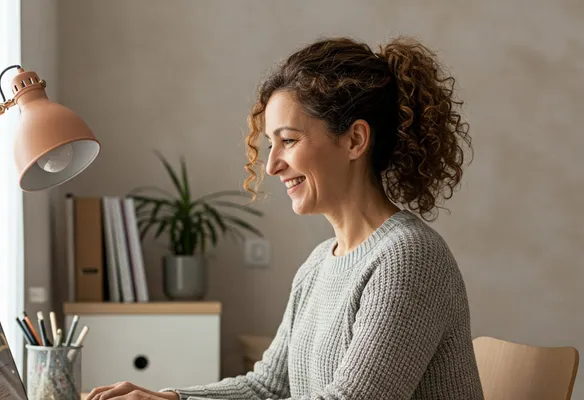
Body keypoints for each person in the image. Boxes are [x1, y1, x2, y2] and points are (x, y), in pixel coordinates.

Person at [87, 35, 484, 400]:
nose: (273, 165)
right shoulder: (317, 266)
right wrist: (169, 399)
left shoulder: (409, 257)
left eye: (289, 140)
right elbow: (267, 388)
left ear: (355, 140)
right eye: (270, 144)